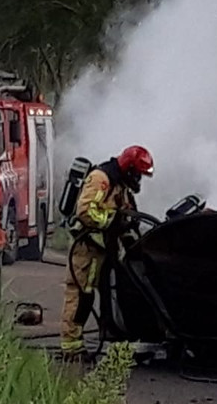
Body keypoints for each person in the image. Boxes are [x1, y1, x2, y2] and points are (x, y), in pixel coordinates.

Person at [59, 145, 154, 358]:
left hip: (104, 248)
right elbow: (86, 211)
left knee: (108, 291)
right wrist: (112, 221)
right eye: (138, 174)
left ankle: (111, 332)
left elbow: (128, 214)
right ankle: (71, 346)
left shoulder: (120, 183)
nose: (138, 179)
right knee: (82, 293)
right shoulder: (101, 178)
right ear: (129, 169)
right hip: (87, 248)